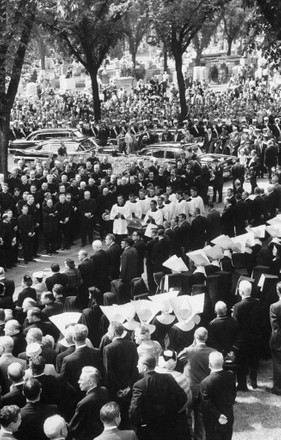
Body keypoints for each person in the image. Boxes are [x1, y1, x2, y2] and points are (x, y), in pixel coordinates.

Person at [129, 354, 187, 440]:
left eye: (139, 364)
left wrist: (137, 423)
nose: (137, 366)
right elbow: (182, 397)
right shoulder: (168, 377)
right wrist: (172, 412)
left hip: (150, 428)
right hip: (169, 424)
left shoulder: (140, 384)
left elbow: (134, 409)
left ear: (145, 367)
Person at [178, 327, 217, 440]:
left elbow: (179, 358)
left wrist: (192, 345)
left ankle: (189, 436)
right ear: (207, 337)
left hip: (189, 388)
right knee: (201, 418)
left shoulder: (189, 351)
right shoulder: (213, 352)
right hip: (204, 388)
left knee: (187, 416)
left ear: (195, 336)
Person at [233, 280, 263, 391]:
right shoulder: (258, 303)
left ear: (241, 292)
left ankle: (242, 384)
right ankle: (253, 381)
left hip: (243, 339)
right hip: (256, 337)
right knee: (254, 360)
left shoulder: (237, 306)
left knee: (241, 361)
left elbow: (236, 325)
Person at [200, 352, 236, 440]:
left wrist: (218, 415)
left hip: (213, 421)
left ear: (209, 364)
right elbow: (233, 395)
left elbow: (207, 403)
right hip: (228, 415)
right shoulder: (231, 376)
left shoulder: (206, 382)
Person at [68, 367, 109, 440]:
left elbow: (73, 428)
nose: (78, 382)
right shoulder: (104, 391)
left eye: (81, 379)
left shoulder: (84, 403)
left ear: (90, 382)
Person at [60, 324, 101, 393]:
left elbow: (63, 382)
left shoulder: (67, 360)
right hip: (94, 391)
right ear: (86, 336)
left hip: (76, 395)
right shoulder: (97, 353)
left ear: (73, 339)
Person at [268, 281, 281, 395]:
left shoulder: (274, 306)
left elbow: (274, 326)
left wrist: (274, 341)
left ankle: (277, 388)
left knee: (277, 364)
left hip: (278, 339)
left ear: (277, 291)